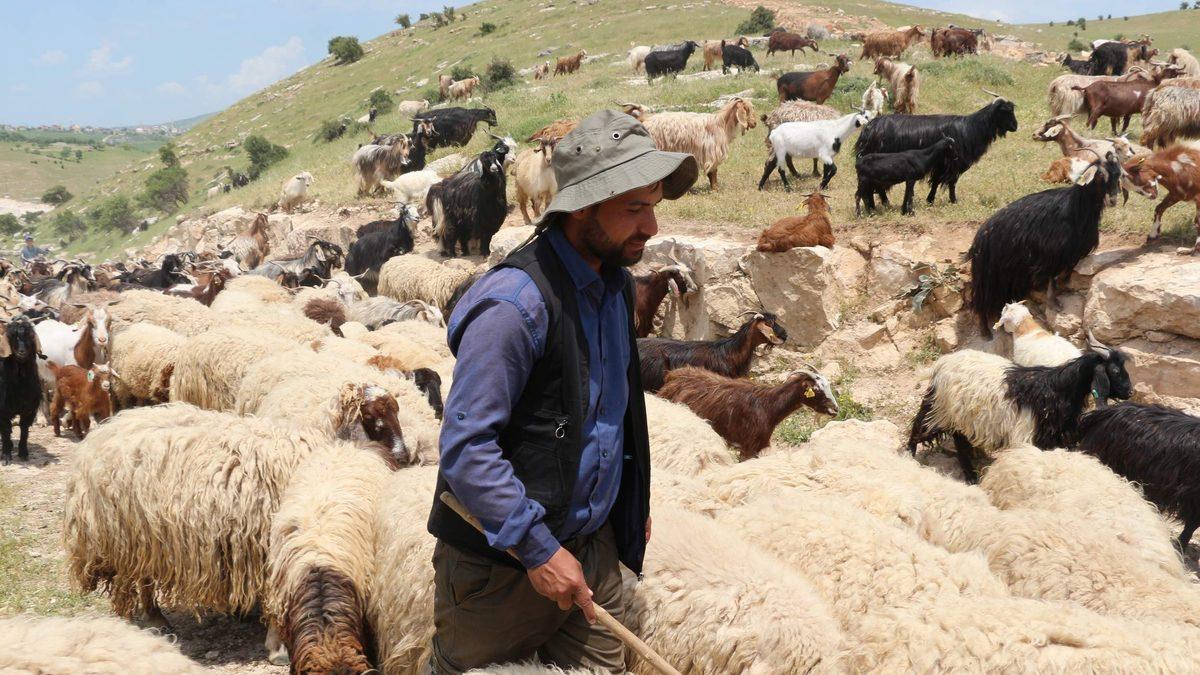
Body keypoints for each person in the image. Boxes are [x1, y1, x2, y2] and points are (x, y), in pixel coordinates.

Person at [427, 110, 698, 674]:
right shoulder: (515, 305)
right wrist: (537, 548)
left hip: (591, 550)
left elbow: (610, 411)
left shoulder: (615, 287)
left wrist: (629, 502)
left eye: (653, 206)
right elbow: (467, 447)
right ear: (581, 207)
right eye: (634, 209)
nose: (651, 227)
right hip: (503, 569)